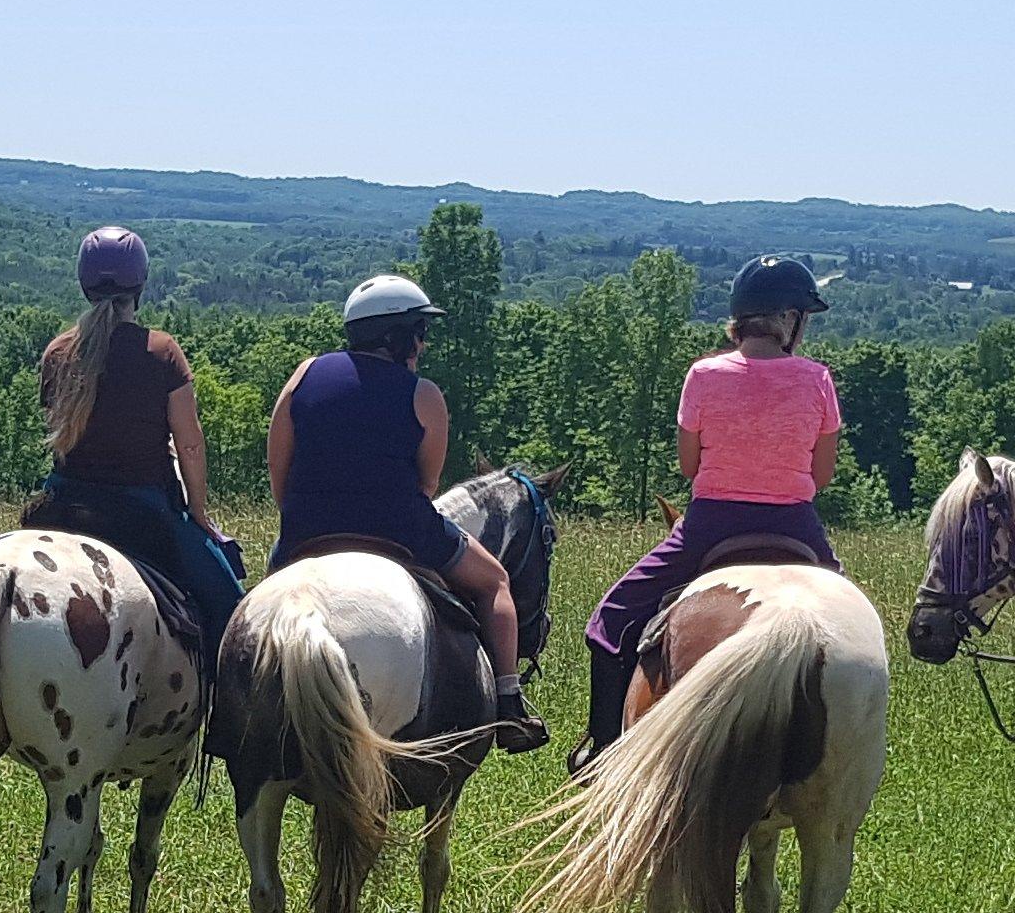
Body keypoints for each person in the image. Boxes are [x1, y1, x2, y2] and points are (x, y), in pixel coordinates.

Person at [575, 255, 845, 766]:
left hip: (710, 525)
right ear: (789, 320)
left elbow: (688, 465)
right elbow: (822, 475)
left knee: (610, 623)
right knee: (854, 628)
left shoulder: (703, 375)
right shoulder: (818, 380)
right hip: (796, 525)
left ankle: (603, 752)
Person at [265, 274, 539, 743]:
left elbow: (279, 470)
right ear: (397, 336)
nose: (423, 344)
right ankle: (509, 701)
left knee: (256, 606)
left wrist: (308, 513)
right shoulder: (423, 395)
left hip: (307, 528)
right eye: (420, 332)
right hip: (401, 529)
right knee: (495, 581)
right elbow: (427, 484)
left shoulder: (304, 374)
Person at [29, 225, 246, 646]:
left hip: (64, 499)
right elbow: (189, 444)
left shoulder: (58, 352)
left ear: (84, 284)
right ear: (140, 285)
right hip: (143, 504)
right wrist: (198, 511)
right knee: (232, 612)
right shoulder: (161, 351)